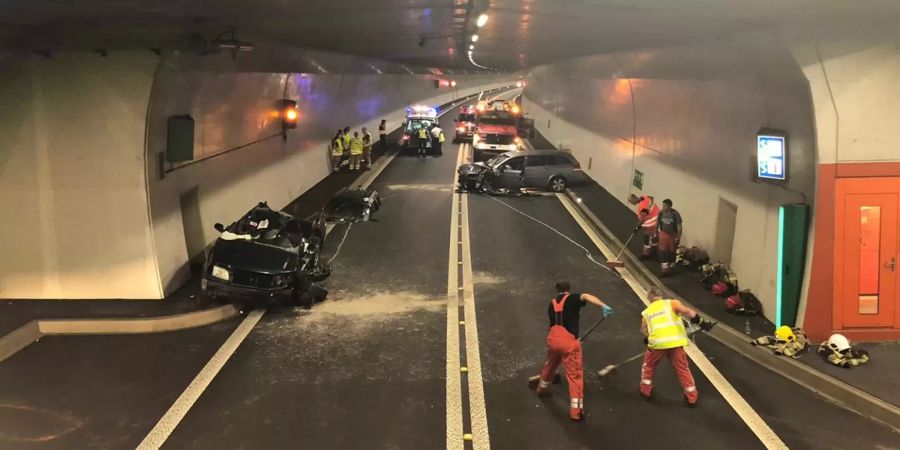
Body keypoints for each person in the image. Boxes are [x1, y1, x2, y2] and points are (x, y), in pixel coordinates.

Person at [536, 281, 613, 422]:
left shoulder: (551, 304)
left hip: (553, 339)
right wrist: (603, 305)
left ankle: (542, 388)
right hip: (569, 342)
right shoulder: (572, 298)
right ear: (568, 290)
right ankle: (576, 411)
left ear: (557, 291)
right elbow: (586, 296)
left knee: (550, 364)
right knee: (574, 375)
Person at [639, 288, 711, 407]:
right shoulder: (672, 303)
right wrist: (701, 321)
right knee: (682, 368)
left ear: (650, 297)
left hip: (658, 344)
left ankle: (645, 391)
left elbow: (643, 329)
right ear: (660, 296)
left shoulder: (647, 312)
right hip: (675, 343)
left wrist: (648, 338)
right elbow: (687, 311)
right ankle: (692, 397)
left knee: (649, 366)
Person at [628, 194, 659, 259]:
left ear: (634, 199)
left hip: (652, 222)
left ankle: (646, 255)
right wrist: (650, 208)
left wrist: (637, 227)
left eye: (631, 202)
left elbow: (642, 220)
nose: (631, 203)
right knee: (654, 236)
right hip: (657, 216)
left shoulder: (642, 207)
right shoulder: (644, 197)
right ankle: (654, 251)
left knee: (646, 237)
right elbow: (652, 197)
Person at [657, 199, 682, 275]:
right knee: (663, 252)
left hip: (672, 235)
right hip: (663, 234)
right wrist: (655, 233)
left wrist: (678, 238)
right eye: (663, 205)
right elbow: (657, 223)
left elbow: (679, 227)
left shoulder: (675, 214)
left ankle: (671, 268)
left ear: (669, 206)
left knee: (672, 252)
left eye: (664, 206)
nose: (663, 207)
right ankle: (665, 270)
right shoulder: (661, 213)